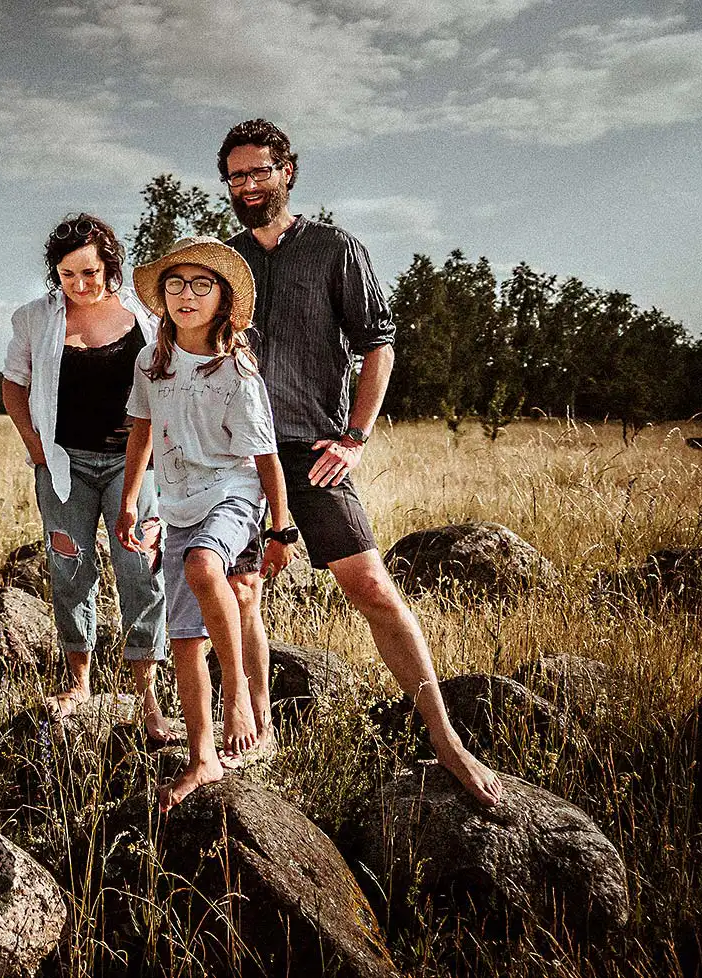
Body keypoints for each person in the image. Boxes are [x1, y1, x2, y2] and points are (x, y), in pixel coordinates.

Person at [216, 118, 502, 806]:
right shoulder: (220, 261)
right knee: (245, 592)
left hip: (315, 449)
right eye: (236, 175)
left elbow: (379, 343)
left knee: (371, 587)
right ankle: (257, 727)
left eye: (260, 171)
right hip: (238, 452)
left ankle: (446, 739)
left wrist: (355, 435)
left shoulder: (334, 249)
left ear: (288, 172)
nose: (249, 185)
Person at [116, 236, 296, 811]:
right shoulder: (152, 361)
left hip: (234, 493)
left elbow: (265, 456)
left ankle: (241, 695)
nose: (185, 296)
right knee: (185, 638)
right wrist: (129, 500)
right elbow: (141, 427)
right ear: (161, 299)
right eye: (175, 286)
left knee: (208, 570)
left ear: (222, 300)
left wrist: (280, 528)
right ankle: (202, 758)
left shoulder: (236, 372)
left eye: (200, 286)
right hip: (176, 502)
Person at [2, 213, 172, 740]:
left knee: (140, 569)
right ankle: (80, 681)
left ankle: (148, 693)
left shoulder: (146, 315)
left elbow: (169, 380)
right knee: (71, 569)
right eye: (68, 274)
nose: (80, 285)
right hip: (63, 466)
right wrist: (37, 451)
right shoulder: (35, 318)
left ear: (110, 266)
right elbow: (14, 388)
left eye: (90, 273)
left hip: (132, 465)